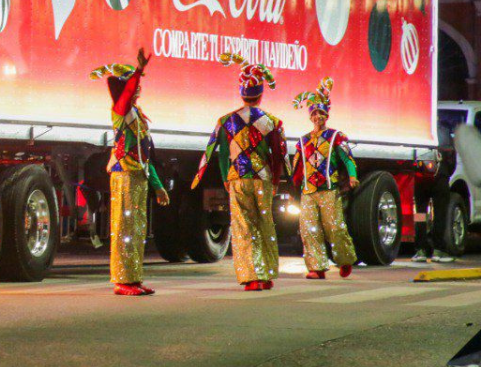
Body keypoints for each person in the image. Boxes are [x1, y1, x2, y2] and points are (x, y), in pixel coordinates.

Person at [192, 53, 286, 291]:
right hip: (263, 179)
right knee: (265, 225)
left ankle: (251, 276)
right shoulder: (272, 122)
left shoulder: (226, 121)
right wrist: (276, 180)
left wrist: (226, 177)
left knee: (243, 226)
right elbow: (278, 155)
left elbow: (222, 153)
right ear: (261, 93)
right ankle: (265, 274)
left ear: (241, 93)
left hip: (237, 178)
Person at [90, 48, 170, 296]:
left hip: (138, 176)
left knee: (136, 230)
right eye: (135, 86)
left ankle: (134, 279)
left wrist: (158, 186)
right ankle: (122, 281)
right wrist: (139, 70)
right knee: (125, 229)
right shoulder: (120, 111)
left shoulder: (137, 115)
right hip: (124, 175)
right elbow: (126, 95)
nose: (138, 89)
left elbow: (145, 155)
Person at [290, 78, 358, 279]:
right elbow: (298, 165)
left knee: (334, 227)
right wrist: (294, 184)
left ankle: (345, 259)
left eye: (321, 113)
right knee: (308, 229)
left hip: (329, 189)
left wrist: (352, 176)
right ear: (310, 116)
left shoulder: (335, 136)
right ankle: (316, 267)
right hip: (308, 191)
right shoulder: (303, 140)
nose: (317, 117)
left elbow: (347, 159)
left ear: (326, 115)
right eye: (314, 113)